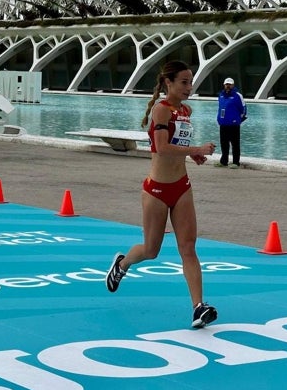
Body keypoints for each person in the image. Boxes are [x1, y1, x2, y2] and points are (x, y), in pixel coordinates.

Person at [105, 60, 219, 329]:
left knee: (188, 248)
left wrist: (194, 156)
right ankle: (122, 263)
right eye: (183, 82)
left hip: (181, 187)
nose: (189, 87)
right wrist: (197, 150)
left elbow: (179, 145)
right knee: (151, 250)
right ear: (168, 83)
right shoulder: (161, 110)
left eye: (191, 82)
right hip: (156, 190)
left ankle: (198, 307)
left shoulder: (186, 110)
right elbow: (162, 148)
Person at [215, 77, 247, 168]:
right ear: (224, 85)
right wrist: (219, 119)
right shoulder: (221, 95)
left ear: (233, 85)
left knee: (235, 144)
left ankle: (236, 162)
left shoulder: (237, 95)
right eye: (226, 84)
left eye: (229, 84)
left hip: (234, 124)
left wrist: (238, 119)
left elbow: (243, 108)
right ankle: (223, 161)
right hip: (223, 124)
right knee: (224, 143)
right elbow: (220, 108)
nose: (228, 86)